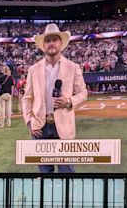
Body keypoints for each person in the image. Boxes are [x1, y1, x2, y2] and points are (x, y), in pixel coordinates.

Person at [23, 23, 88, 173]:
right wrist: (29, 122)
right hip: (40, 127)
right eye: (48, 40)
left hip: (64, 127)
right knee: (45, 174)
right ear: (43, 45)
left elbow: (83, 93)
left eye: (55, 39)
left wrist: (69, 101)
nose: (51, 43)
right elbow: (27, 98)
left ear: (61, 43)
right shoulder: (33, 69)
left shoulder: (73, 67)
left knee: (67, 173)